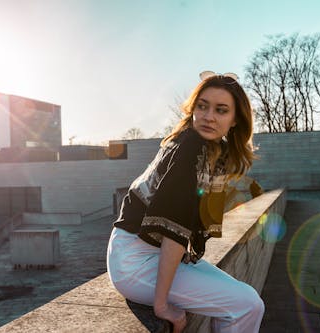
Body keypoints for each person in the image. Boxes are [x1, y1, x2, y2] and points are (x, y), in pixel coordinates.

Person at [106, 71, 264, 333]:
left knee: (248, 300)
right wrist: (162, 305)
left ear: (236, 119)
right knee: (246, 304)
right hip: (134, 262)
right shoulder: (191, 147)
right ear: (193, 108)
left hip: (145, 253)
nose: (208, 116)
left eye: (221, 110)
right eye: (202, 106)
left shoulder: (211, 149)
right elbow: (174, 229)